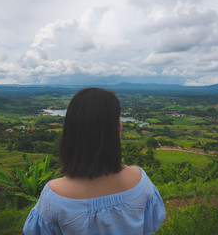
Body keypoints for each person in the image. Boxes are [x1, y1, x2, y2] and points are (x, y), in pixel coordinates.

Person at [23, 88, 165, 235]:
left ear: (71, 132)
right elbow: (150, 226)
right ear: (116, 129)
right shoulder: (140, 180)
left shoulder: (54, 196)